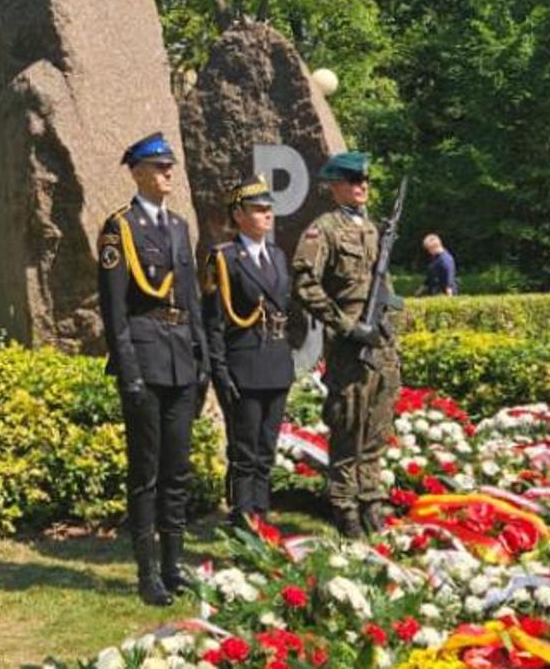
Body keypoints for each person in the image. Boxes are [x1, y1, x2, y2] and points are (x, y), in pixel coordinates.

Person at [96, 132, 208, 607]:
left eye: (170, 167)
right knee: (146, 470)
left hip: (182, 357)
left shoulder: (180, 226)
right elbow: (114, 310)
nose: (168, 175)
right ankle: (146, 572)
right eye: (160, 168)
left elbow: (192, 299)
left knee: (177, 469)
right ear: (138, 172)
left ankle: (173, 565)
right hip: (144, 355)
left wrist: (201, 358)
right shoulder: (118, 228)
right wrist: (130, 371)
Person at [292, 151, 403, 537]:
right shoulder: (322, 230)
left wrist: (388, 328)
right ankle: (343, 506)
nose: (362, 188)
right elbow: (305, 284)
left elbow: (382, 286)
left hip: (381, 344)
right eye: (353, 181)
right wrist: (345, 326)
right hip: (350, 346)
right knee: (348, 422)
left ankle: (370, 497)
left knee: (377, 423)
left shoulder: (373, 230)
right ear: (334, 186)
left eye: (365, 181)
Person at [202, 178, 293, 530]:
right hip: (244, 365)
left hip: (276, 364)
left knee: (266, 451)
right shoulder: (224, 258)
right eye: (258, 209)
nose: (267, 214)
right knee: (244, 453)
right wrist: (219, 370)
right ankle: (243, 524)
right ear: (238, 214)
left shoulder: (278, 256)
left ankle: (262, 520)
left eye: (269, 209)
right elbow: (213, 321)